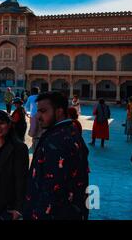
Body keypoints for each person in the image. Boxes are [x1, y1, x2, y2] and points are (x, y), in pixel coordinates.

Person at [23, 91, 89, 220]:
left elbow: (53, 187)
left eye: (43, 111)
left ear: (59, 112)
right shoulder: (70, 131)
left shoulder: (58, 140)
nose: (38, 116)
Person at [24, 87, 40, 151]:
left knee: (34, 129)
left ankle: (34, 143)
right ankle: (38, 143)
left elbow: (26, 106)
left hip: (33, 116)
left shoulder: (30, 97)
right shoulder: (40, 97)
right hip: (40, 115)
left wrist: (27, 113)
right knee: (40, 129)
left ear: (32, 91)